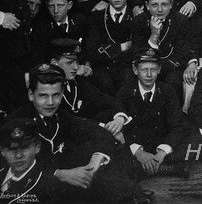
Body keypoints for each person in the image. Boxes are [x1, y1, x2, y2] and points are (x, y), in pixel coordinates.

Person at [10, 64, 135, 202]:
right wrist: (60, 174)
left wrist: (95, 160)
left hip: (60, 184)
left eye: (56, 95)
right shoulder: (18, 122)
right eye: (43, 96)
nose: (50, 102)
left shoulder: (59, 115)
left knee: (108, 160)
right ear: (30, 95)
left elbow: (94, 130)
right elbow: (15, 168)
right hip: (31, 191)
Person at [116, 48, 189, 178]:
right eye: (144, 70)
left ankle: (152, 165)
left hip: (160, 144)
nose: (149, 75)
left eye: (153, 70)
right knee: (116, 146)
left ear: (159, 70)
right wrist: (138, 152)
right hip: (137, 145)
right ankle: (163, 168)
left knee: (192, 140)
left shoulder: (168, 91)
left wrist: (162, 151)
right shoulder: (125, 93)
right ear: (135, 70)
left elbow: (177, 125)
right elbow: (123, 129)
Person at [49, 38, 129, 135]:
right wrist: (105, 128)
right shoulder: (48, 88)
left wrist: (119, 118)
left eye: (77, 62)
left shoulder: (77, 82)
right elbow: (68, 120)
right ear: (54, 63)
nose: (75, 67)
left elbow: (104, 99)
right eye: (69, 63)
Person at [132, 0, 197, 98]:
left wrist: (160, 68)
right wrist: (154, 35)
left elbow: (182, 54)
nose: (160, 10)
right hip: (147, 69)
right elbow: (138, 54)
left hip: (171, 68)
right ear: (147, 6)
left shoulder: (180, 20)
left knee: (174, 79)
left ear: (171, 4)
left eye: (164, 4)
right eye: (154, 5)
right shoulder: (139, 21)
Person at [84, 0, 135, 95]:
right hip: (103, 69)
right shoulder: (96, 17)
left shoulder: (136, 16)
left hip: (127, 69)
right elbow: (92, 50)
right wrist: (121, 47)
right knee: (103, 83)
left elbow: (136, 48)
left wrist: (110, 49)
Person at [0, 118, 61, 203]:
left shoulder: (50, 185)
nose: (18, 155)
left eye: (25, 147)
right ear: (2, 151)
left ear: (37, 147)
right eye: (12, 149)